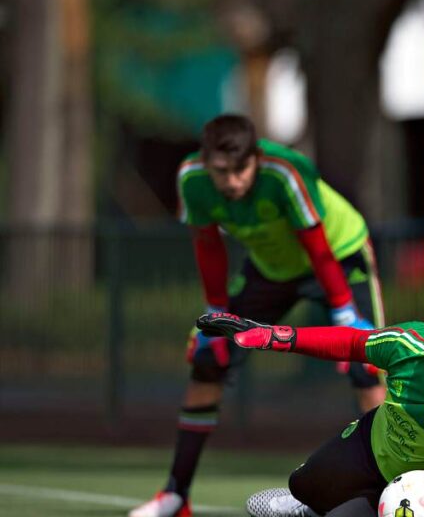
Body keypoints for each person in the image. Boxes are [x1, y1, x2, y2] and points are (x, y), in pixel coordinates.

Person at [131, 114, 386, 517]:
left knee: (367, 368)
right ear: (206, 161)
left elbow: (317, 245)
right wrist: (214, 312)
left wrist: (344, 314)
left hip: (338, 257)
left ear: (257, 158)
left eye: (240, 169)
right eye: (221, 171)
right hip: (272, 270)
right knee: (206, 362)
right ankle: (175, 495)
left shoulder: (286, 173)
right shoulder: (192, 180)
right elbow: (208, 246)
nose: (231, 181)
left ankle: (386, 495)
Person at [196, 292, 424, 517]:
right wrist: (273, 336)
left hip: (414, 495)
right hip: (370, 447)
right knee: (302, 485)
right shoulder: (406, 345)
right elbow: (350, 343)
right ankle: (308, 508)